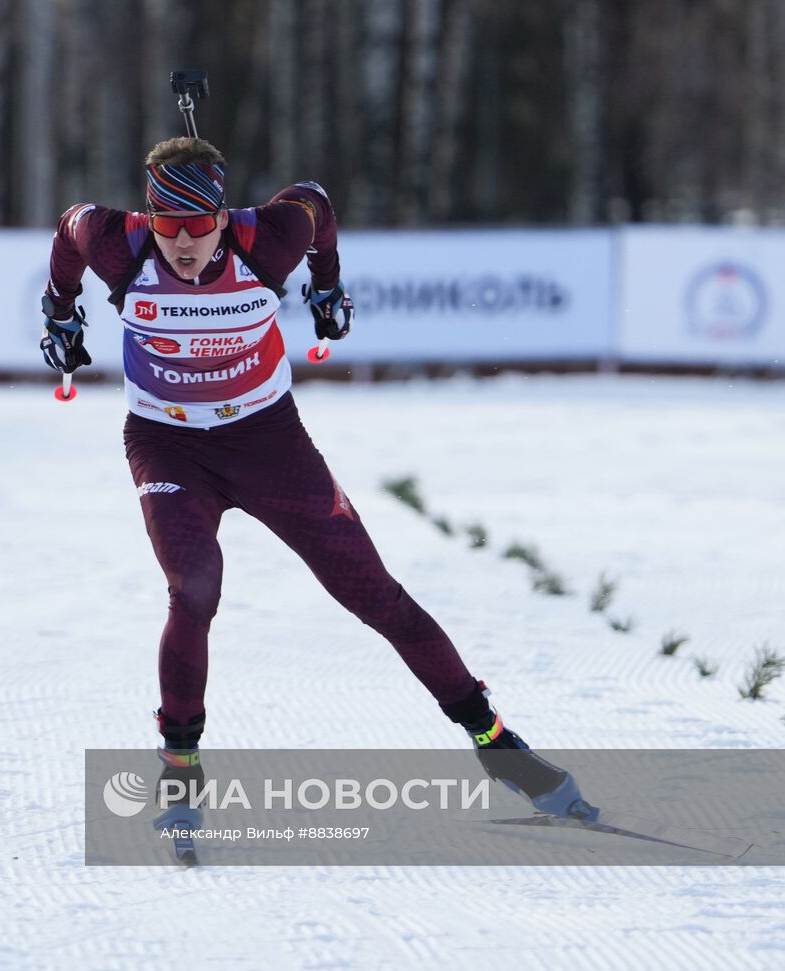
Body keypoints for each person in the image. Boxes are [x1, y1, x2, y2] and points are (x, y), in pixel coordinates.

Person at [41, 136, 586, 826]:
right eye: (168, 227)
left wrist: (327, 282)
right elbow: (68, 226)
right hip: (168, 444)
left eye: (198, 226)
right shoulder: (119, 244)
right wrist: (58, 307)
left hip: (270, 442)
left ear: (221, 217)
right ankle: (180, 766)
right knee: (194, 589)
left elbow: (319, 205)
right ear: (150, 219)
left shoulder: (266, 239)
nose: (183, 243)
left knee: (377, 597)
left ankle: (497, 742)